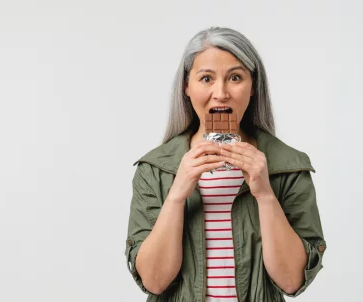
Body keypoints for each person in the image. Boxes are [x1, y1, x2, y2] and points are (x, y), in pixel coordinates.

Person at [124, 26, 326, 302]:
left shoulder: (287, 168)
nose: (220, 93)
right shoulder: (155, 171)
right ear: (186, 86)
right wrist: (177, 194)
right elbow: (155, 282)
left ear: (253, 86)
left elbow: (292, 281)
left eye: (235, 77)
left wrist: (265, 194)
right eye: (206, 78)